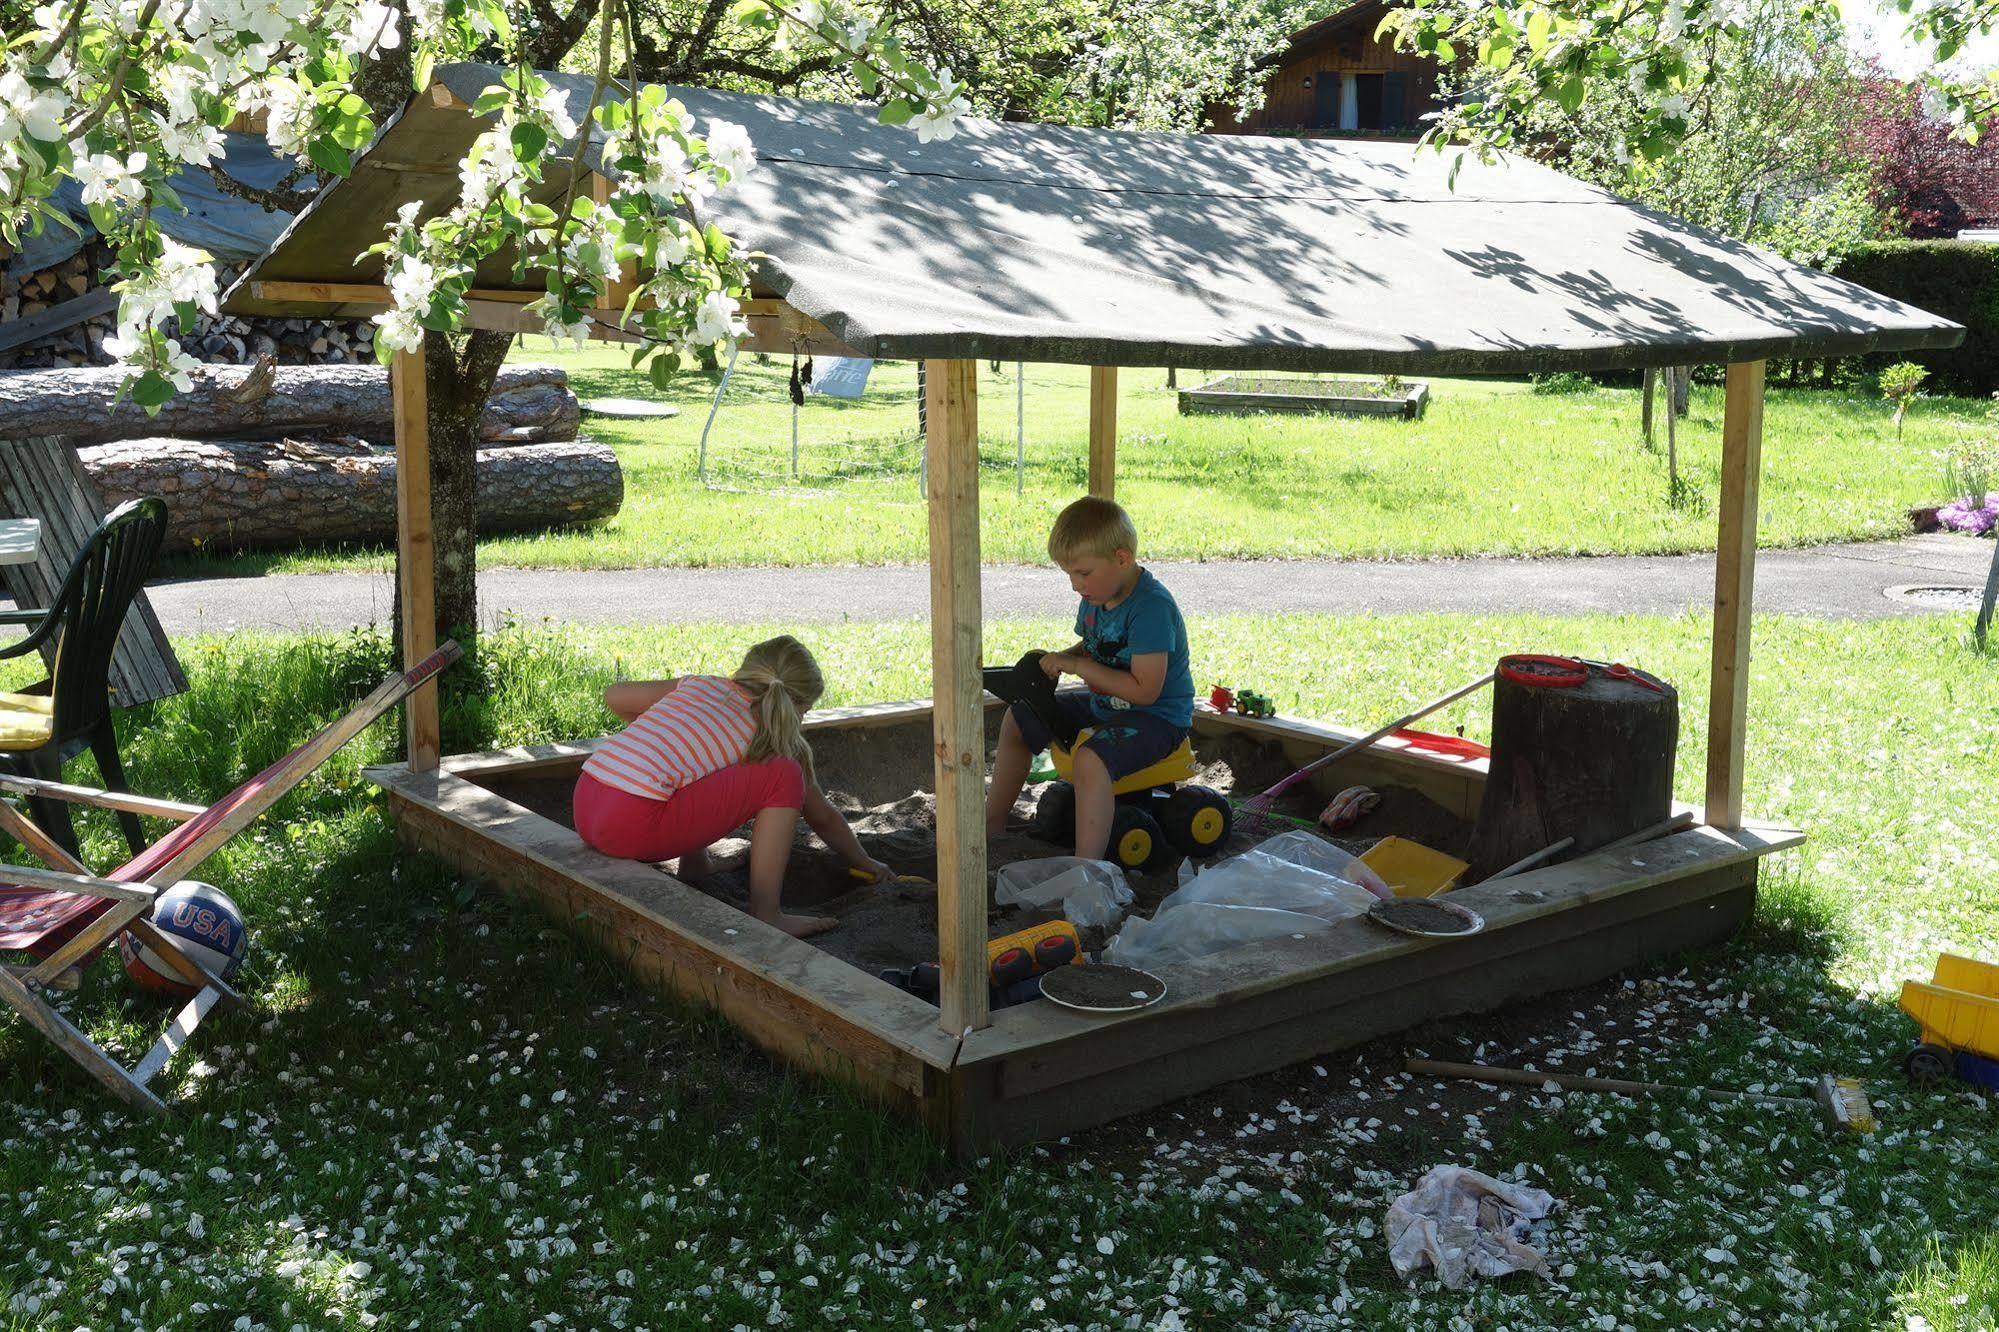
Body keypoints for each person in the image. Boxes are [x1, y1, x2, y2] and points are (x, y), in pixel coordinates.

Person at [572, 635, 891, 938]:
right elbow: (822, 817)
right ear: (795, 706)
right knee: (785, 774)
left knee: (691, 765)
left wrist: (659, 746)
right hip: (631, 828)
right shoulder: (774, 740)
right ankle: (767, 914)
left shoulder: (698, 684)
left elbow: (614, 694)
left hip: (586, 805)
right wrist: (865, 862)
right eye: (804, 713)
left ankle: (695, 865)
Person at [986, 496, 1195, 859]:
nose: (1075, 585)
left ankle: (1089, 866)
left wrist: (1079, 668)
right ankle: (991, 826)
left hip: (1157, 718)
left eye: (1082, 573)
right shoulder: (1098, 595)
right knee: (1019, 717)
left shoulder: (1151, 609)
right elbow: (1095, 644)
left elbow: (1145, 691)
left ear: (1121, 559)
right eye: (1069, 574)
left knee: (1089, 758)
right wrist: (1067, 657)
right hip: (1108, 703)